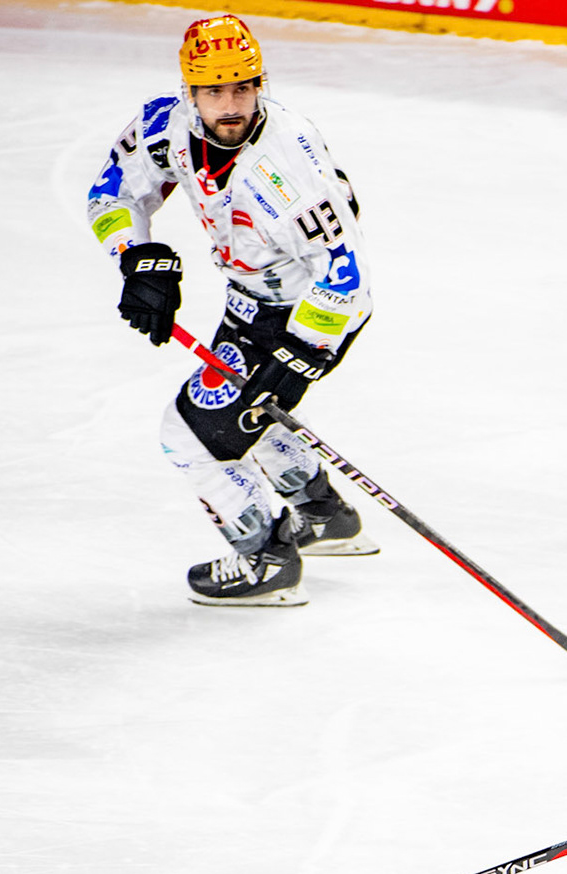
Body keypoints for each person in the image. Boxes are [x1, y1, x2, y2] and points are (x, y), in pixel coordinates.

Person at [85, 14, 376, 606]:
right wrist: (136, 256)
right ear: (189, 92)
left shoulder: (289, 169)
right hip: (247, 301)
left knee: (189, 436)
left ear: (260, 82)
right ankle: (321, 514)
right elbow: (110, 191)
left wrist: (296, 357)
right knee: (241, 415)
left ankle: (265, 558)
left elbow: (347, 278)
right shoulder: (164, 126)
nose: (231, 105)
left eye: (242, 87)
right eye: (214, 91)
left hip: (307, 316)